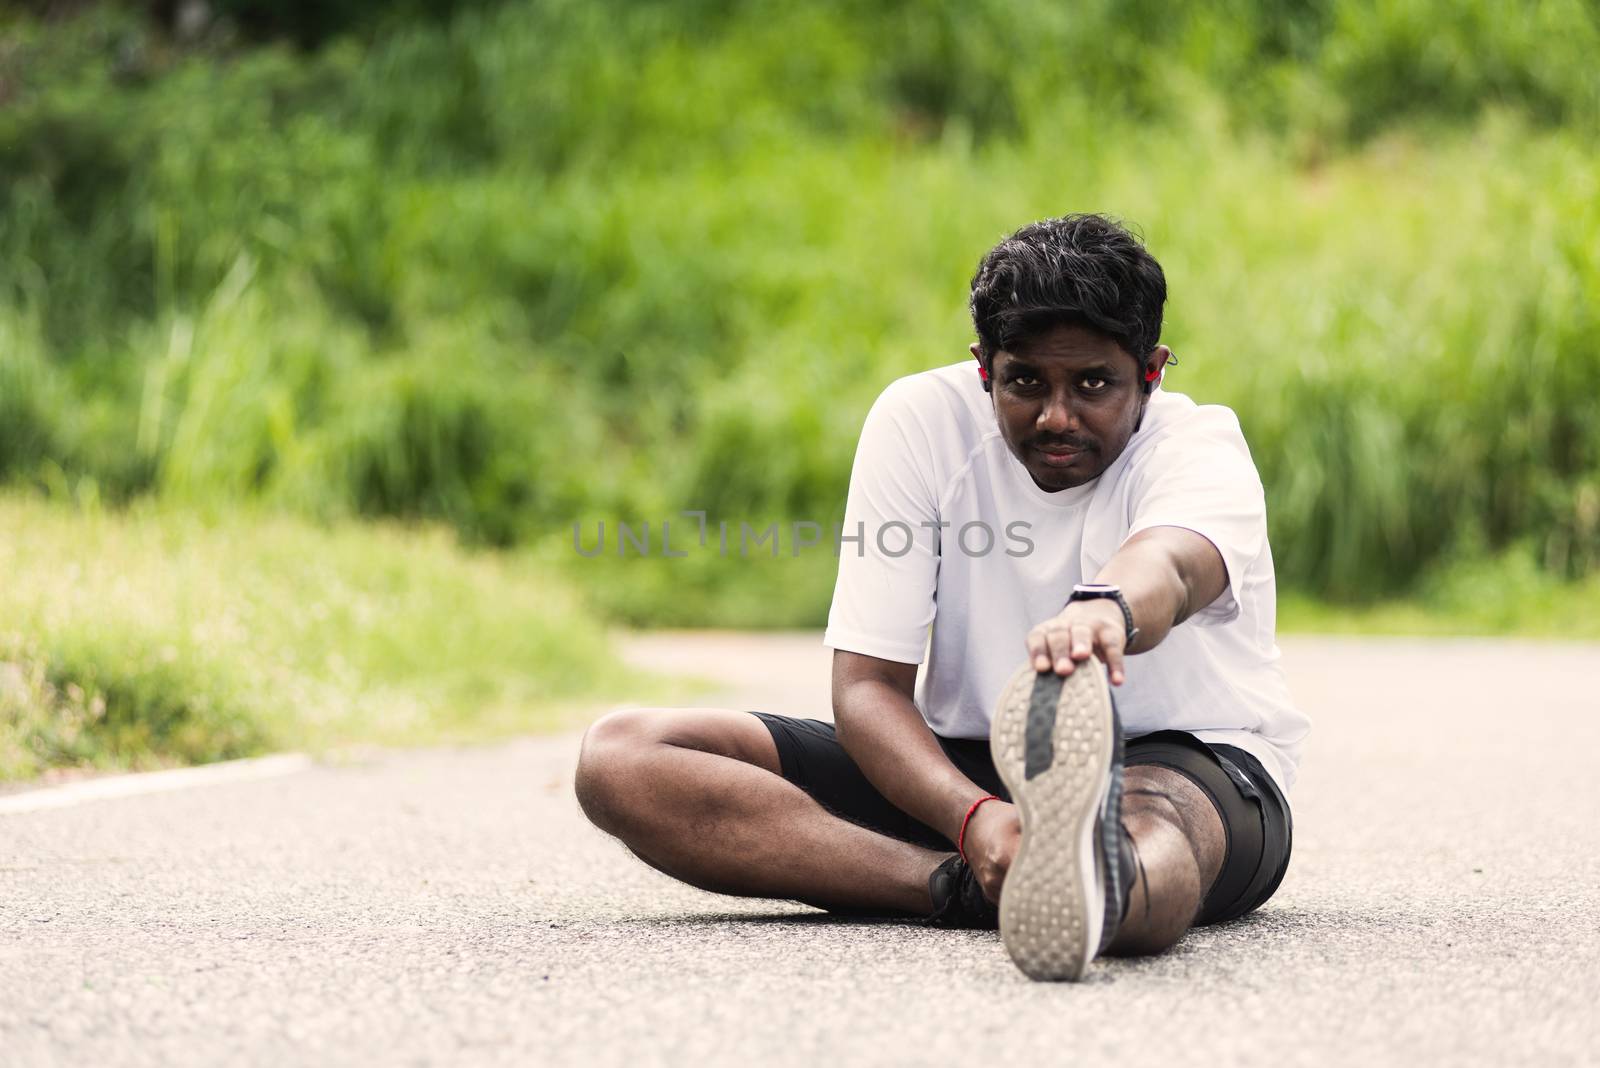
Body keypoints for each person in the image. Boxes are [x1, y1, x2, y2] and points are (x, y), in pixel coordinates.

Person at [574, 214, 1310, 981]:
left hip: (1193, 763)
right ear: (984, 367)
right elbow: (865, 689)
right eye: (1026, 381)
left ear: (1151, 372)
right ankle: (963, 885)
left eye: (1092, 383)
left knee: (1152, 832)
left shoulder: (1198, 448)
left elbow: (1175, 564)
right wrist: (973, 820)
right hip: (974, 768)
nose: (1057, 416)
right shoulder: (920, 423)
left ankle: (1101, 886)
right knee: (623, 757)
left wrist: (1104, 611)